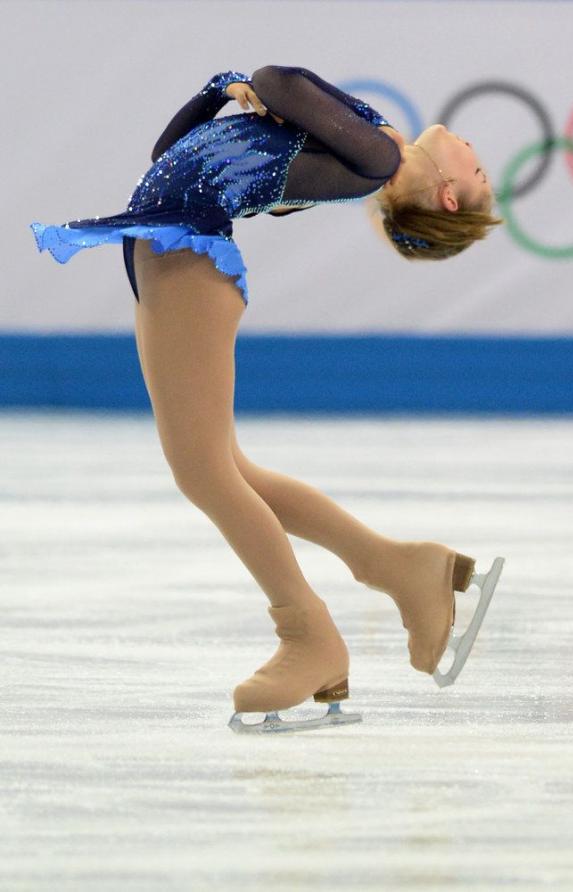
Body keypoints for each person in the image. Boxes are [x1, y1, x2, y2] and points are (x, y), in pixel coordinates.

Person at [29, 65, 505, 733]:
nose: (477, 153)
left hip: (188, 259)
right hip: (166, 252)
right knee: (227, 469)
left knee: (203, 473)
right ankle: (403, 570)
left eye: (479, 174)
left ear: (447, 197)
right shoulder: (370, 144)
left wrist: (238, 81)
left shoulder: (379, 156)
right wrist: (218, 93)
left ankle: (307, 634)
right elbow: (166, 153)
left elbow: (280, 79)